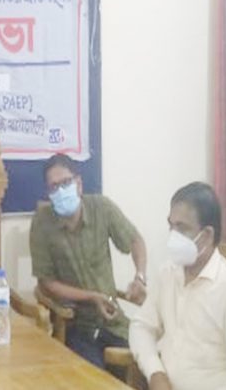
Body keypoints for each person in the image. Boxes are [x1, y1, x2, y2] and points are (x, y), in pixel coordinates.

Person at [129, 182, 226, 390]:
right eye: (171, 226)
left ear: (207, 235)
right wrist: (155, 373)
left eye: (182, 228)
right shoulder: (168, 274)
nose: (172, 236)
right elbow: (141, 327)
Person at [29, 153, 147, 368]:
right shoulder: (42, 222)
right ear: (48, 193)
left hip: (113, 320)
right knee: (95, 378)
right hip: (74, 324)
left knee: (148, 364)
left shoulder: (101, 207)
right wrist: (91, 297)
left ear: (79, 184)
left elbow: (135, 241)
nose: (61, 191)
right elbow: (46, 282)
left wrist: (140, 277)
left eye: (66, 183)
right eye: (54, 187)